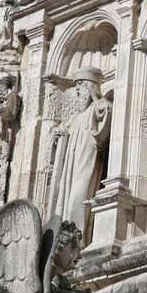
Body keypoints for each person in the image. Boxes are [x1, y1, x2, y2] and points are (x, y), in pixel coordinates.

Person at [52, 66, 112, 234]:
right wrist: (59, 135)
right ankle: (65, 232)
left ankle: (76, 235)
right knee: (68, 195)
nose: (77, 96)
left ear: (89, 88)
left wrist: (96, 97)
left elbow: (105, 112)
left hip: (87, 157)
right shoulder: (76, 117)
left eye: (80, 90)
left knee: (79, 193)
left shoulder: (97, 107)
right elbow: (63, 135)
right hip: (72, 162)